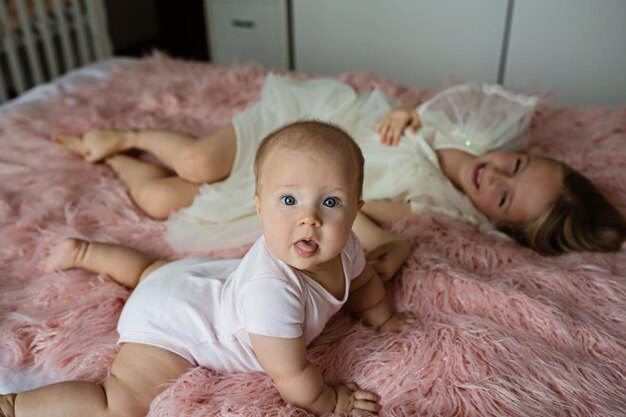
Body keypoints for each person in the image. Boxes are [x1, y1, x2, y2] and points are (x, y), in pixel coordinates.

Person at [0, 121, 416, 417]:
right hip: (179, 327)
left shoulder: (348, 248)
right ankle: (16, 406)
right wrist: (332, 401)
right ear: (258, 206)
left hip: (193, 284)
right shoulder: (273, 293)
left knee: (156, 272)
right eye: (288, 201)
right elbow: (292, 375)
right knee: (121, 403)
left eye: (330, 202)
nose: (309, 219)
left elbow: (363, 283)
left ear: (356, 211)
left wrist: (382, 316)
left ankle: (86, 252)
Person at [52, 78, 626, 256]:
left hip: (305, 183)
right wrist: (406, 114)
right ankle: (126, 134)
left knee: (160, 201)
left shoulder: (440, 207)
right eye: (516, 164)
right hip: (310, 124)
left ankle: (123, 162)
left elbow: (368, 208)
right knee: (201, 159)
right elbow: (434, 106)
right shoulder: (472, 130)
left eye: (503, 197)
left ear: (497, 223)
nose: (494, 174)